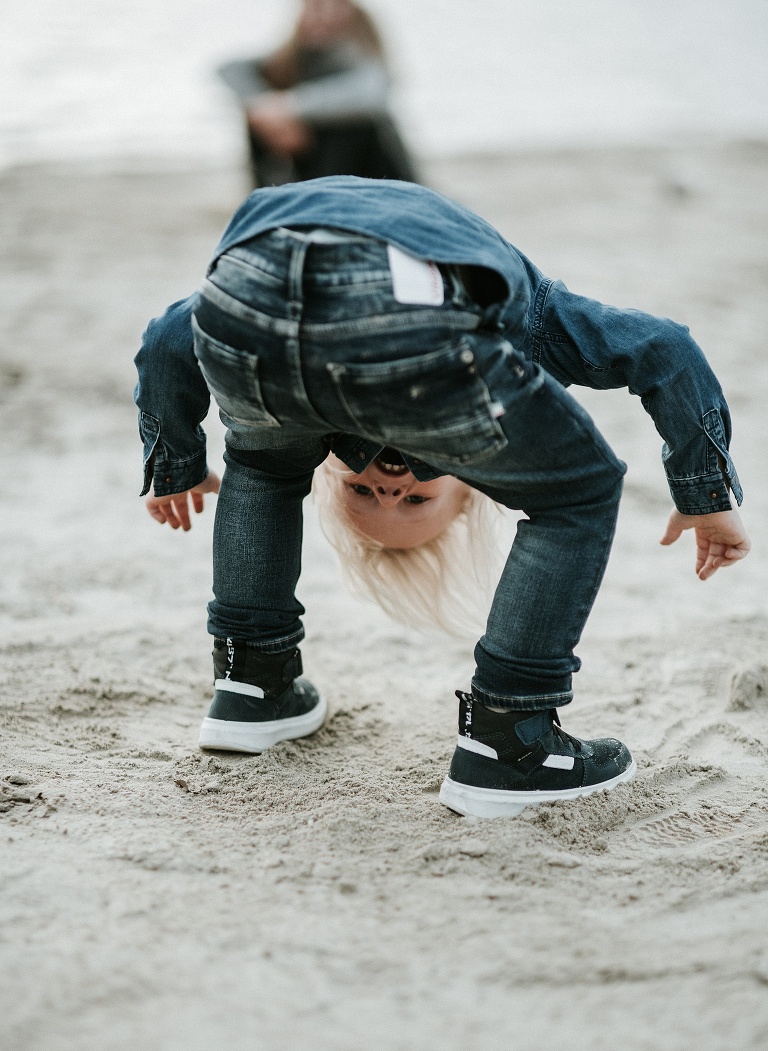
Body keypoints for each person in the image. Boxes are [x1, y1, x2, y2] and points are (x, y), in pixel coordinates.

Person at [134, 175, 750, 820]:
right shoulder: (536, 328)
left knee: (263, 466)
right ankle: (508, 739)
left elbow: (167, 341)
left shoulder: (531, 329)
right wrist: (704, 488)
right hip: (299, 284)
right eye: (411, 501)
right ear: (475, 484)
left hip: (256, 290)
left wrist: (176, 460)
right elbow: (662, 348)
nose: (389, 484)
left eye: (365, 491)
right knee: (576, 494)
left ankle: (252, 683)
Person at [217, 0, 417, 189]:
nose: (324, 16)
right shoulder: (291, 58)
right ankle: (267, 198)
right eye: (316, 6)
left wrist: (289, 107)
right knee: (259, 115)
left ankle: (327, 198)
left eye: (333, 7)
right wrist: (265, 110)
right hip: (315, 168)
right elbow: (229, 68)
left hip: (379, 179)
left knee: (350, 122)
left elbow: (372, 94)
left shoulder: (357, 53)